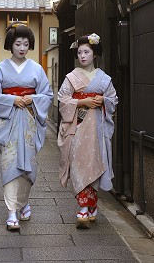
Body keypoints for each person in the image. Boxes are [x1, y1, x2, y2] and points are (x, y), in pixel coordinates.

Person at [0, 22, 53, 231]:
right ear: (10, 45)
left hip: (29, 122)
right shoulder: (0, 68)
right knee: (10, 164)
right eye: (18, 44)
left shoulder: (36, 69)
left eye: (25, 44)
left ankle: (23, 203)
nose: (22, 48)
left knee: (28, 166)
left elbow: (47, 95)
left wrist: (31, 98)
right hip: (8, 123)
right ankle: (11, 211)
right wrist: (12, 100)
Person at [57, 33, 118, 229]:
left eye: (87, 52)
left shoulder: (104, 79)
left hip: (96, 130)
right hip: (78, 128)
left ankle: (91, 206)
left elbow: (113, 99)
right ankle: (83, 208)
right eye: (80, 52)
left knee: (93, 165)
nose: (82, 56)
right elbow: (63, 99)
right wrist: (82, 101)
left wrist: (103, 100)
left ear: (95, 54)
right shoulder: (71, 77)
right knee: (79, 164)